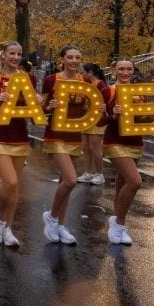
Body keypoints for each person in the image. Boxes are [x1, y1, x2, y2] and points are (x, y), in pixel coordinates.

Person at [40, 45, 100, 245]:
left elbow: (88, 107)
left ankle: (60, 225)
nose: (74, 60)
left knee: (63, 183)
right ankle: (52, 217)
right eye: (70, 57)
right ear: (62, 59)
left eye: (78, 57)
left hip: (75, 135)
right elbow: (41, 108)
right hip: (56, 134)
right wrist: (49, 106)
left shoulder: (85, 82)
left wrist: (97, 107)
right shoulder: (51, 80)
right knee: (70, 180)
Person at [0, 41, 38, 247]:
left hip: (20, 136)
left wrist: (38, 101)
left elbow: (33, 109)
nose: (15, 57)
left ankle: (8, 227)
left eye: (19, 54)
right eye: (12, 53)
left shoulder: (29, 78)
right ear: (3, 56)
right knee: (11, 182)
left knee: (15, 187)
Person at [103, 59, 154, 245]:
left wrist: (152, 113)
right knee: (135, 181)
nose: (125, 72)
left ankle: (116, 221)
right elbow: (98, 121)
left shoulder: (140, 92)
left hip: (135, 142)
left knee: (122, 181)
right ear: (114, 70)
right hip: (114, 141)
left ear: (133, 71)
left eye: (129, 69)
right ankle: (119, 224)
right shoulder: (108, 91)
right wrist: (114, 115)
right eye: (121, 69)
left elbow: (143, 120)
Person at [77, 63, 109, 185]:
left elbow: (103, 100)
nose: (82, 74)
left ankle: (99, 174)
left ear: (90, 73)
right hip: (86, 118)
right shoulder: (87, 85)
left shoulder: (100, 84)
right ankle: (88, 172)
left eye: (84, 72)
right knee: (85, 147)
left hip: (97, 119)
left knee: (94, 147)